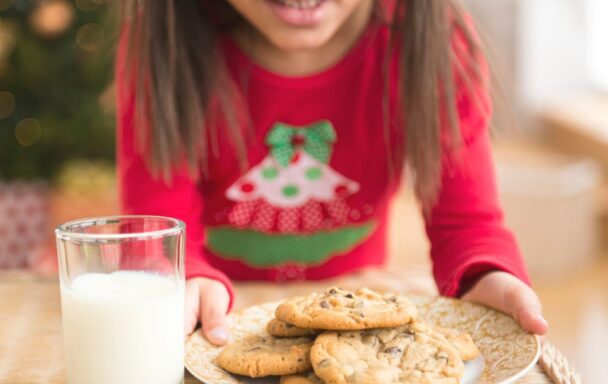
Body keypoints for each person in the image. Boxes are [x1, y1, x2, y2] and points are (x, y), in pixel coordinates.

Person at [116, 0, 549, 346]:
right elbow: (158, 239)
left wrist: (487, 277)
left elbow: (468, 229)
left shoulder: (434, 41)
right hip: (217, 328)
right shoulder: (163, 44)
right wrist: (183, 279)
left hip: (357, 319)